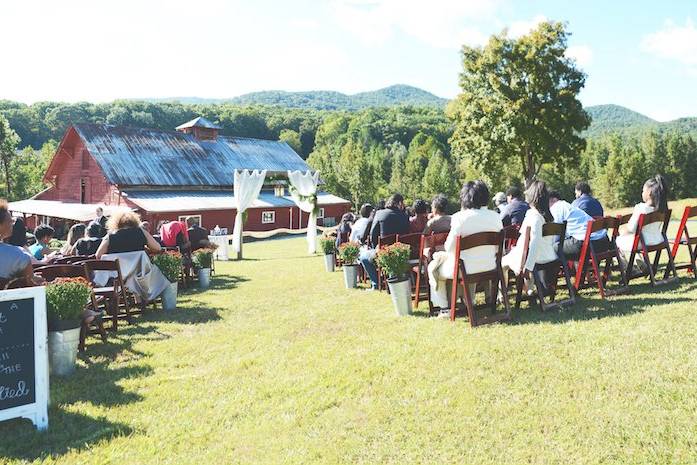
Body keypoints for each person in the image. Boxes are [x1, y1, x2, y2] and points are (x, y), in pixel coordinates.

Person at [427, 181, 503, 318]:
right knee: (455, 261)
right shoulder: (496, 217)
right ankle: (468, 302)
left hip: (465, 270)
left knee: (434, 266)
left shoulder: (459, 218)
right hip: (491, 267)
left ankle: (445, 308)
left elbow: (449, 248)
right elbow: (499, 248)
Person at [501, 181, 558, 295]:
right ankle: (530, 289)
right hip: (551, 256)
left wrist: (527, 267)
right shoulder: (549, 216)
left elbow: (533, 244)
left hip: (534, 258)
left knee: (501, 264)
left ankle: (502, 295)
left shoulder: (533, 216)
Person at [359, 193, 410, 289]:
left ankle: (376, 284)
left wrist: (375, 247)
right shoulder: (405, 216)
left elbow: (373, 235)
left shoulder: (379, 214)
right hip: (401, 251)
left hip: (385, 251)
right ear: (399, 203)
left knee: (364, 257)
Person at [616, 175, 669, 261]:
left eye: (643, 190)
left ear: (649, 192)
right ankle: (638, 261)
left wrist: (622, 232)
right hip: (658, 240)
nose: (642, 193)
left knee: (616, 242)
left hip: (642, 242)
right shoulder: (662, 210)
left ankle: (629, 268)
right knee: (630, 242)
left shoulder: (641, 208)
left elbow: (631, 229)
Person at [549, 191, 609, 260]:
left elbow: (556, 234)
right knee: (568, 243)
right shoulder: (570, 207)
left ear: (553, 199)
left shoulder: (556, 207)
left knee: (555, 247)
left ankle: (569, 270)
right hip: (603, 242)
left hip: (588, 245)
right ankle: (578, 269)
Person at [96, 211, 162, 258]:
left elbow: (98, 255)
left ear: (116, 222)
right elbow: (158, 248)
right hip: (139, 274)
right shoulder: (141, 232)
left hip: (118, 274)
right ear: (135, 221)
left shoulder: (111, 236)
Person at [0, 200, 36, 283]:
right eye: (10, 221)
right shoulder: (18, 255)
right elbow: (29, 284)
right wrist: (35, 278)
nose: (12, 224)